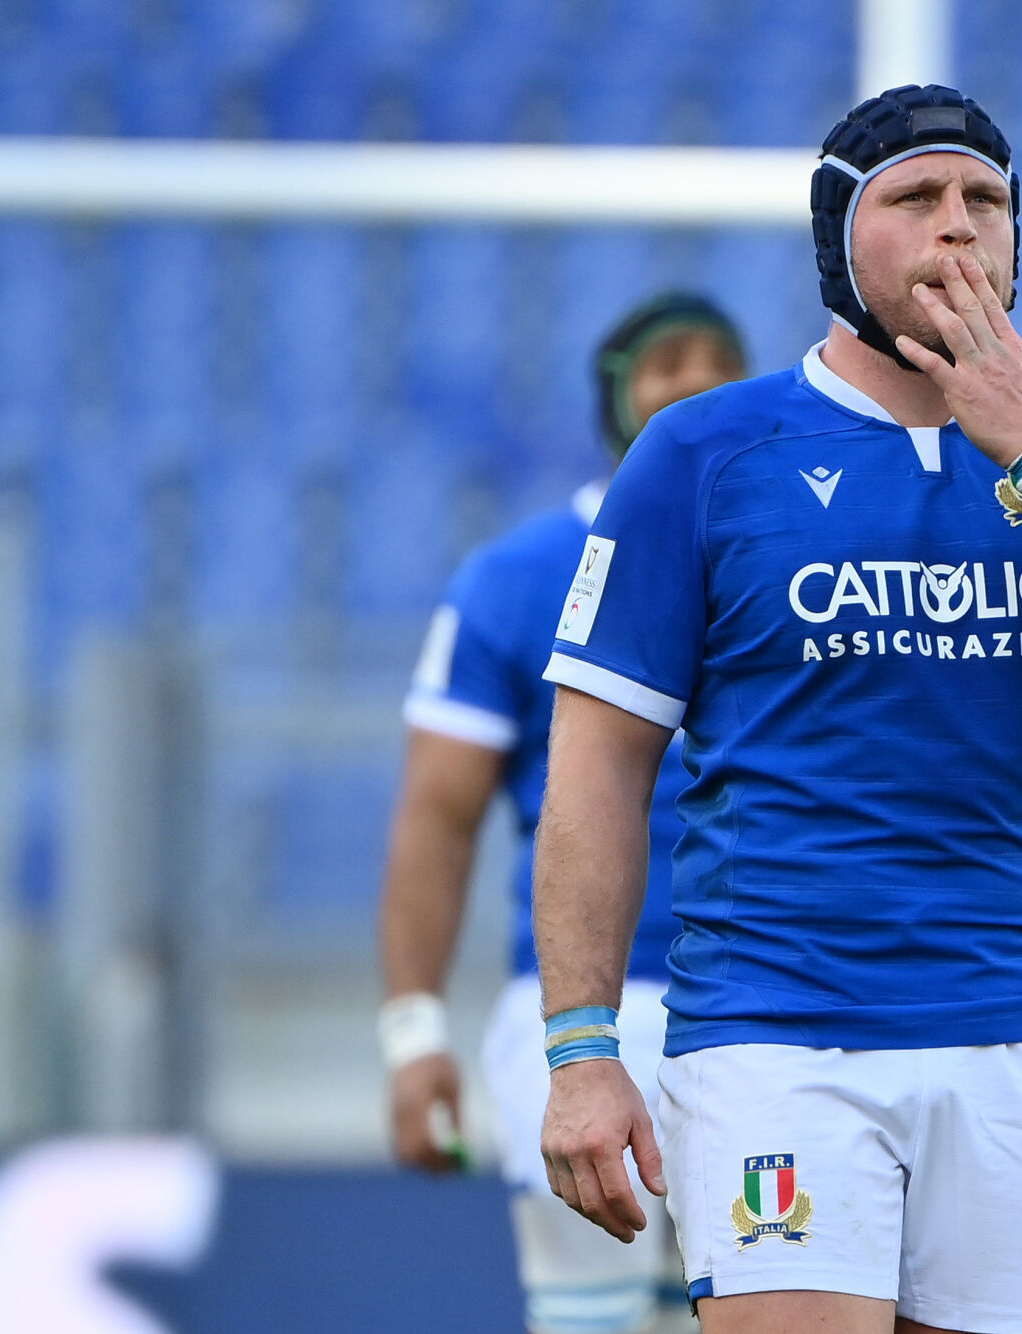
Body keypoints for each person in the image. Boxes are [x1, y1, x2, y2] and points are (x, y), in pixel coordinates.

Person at [533, 85, 1022, 1334]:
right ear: (840, 240)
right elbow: (598, 767)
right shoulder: (703, 455)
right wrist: (582, 1046)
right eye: (916, 197)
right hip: (778, 1033)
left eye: (986, 200)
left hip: (1018, 1035)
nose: (958, 225)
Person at [377, 292, 747, 1334]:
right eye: (666, 362)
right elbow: (437, 817)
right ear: (612, 394)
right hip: (585, 1013)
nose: (694, 382)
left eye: (718, 361)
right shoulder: (514, 577)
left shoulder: (794, 562)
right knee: (593, 1317)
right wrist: (413, 1033)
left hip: (768, 1002)